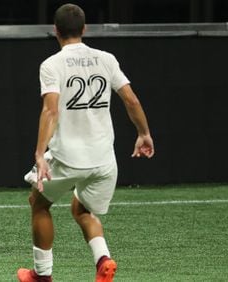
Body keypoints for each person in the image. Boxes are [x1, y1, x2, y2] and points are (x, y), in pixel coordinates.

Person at [17, 3, 154, 282]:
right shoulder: (106, 58)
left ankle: (41, 275)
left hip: (68, 157)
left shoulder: (52, 64)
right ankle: (103, 259)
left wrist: (40, 153)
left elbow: (51, 110)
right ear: (84, 29)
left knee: (39, 203)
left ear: (55, 30)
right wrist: (144, 134)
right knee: (82, 209)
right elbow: (131, 99)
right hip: (104, 159)